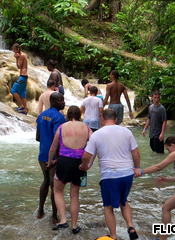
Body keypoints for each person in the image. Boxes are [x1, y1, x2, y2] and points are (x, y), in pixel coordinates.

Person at [79, 109, 140, 240]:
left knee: (108, 206)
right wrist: (137, 168)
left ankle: (113, 236)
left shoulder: (96, 134)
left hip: (110, 175)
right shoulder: (126, 131)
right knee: (124, 201)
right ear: (116, 119)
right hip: (127, 174)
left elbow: (86, 155)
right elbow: (135, 152)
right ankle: (130, 226)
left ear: (102, 119)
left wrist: (85, 165)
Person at [134, 136, 175, 240]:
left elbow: (159, 167)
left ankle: (163, 238)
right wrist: (167, 179)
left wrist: (141, 171)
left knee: (166, 208)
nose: (168, 152)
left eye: (168, 149)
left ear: (173, 145)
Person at [47, 106, 93, 234]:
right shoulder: (86, 128)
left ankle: (62, 220)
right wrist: (89, 163)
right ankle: (74, 225)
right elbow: (94, 145)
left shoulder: (62, 127)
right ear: (79, 115)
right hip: (80, 163)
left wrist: (50, 162)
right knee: (74, 195)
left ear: (68, 115)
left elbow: (52, 148)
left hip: (64, 162)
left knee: (57, 191)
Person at [35, 92, 66, 223]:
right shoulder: (59, 117)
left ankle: (41, 210)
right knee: (55, 187)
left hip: (42, 155)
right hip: (54, 157)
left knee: (45, 181)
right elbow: (58, 139)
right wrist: (56, 159)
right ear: (54, 101)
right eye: (61, 100)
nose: (63, 103)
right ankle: (54, 216)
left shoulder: (41, 115)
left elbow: (37, 137)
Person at [10, 43, 28, 114]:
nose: (14, 52)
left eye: (14, 50)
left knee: (13, 90)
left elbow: (19, 66)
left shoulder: (21, 55)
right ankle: (25, 110)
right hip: (25, 76)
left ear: (18, 49)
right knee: (23, 94)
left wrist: (17, 58)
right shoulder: (24, 55)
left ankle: (21, 105)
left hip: (22, 76)